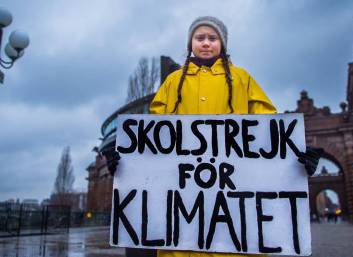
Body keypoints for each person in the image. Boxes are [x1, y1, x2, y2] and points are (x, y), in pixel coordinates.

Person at [103, 16, 322, 257]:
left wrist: (293, 157)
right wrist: (127, 159)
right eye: (200, 38)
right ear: (190, 43)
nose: (206, 43)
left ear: (223, 44)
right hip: (180, 226)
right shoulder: (172, 82)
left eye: (212, 38)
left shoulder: (243, 79)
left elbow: (266, 129)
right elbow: (154, 138)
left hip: (235, 225)